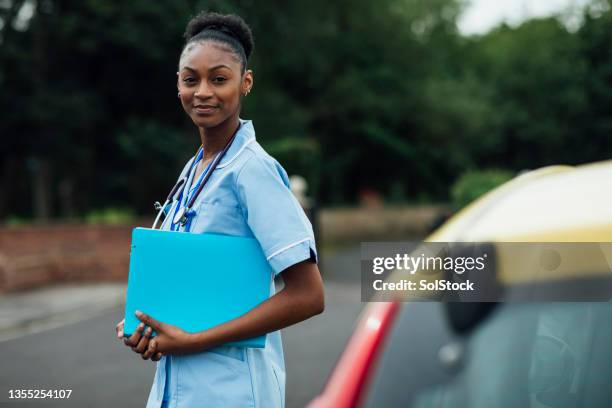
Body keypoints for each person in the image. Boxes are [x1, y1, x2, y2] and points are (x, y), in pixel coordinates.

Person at [114, 11, 324, 408]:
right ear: (177, 84)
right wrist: (147, 323)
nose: (203, 92)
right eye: (190, 79)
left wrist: (194, 341)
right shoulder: (194, 169)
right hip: (176, 388)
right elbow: (192, 281)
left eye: (219, 78)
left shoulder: (252, 170)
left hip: (232, 391)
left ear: (245, 83)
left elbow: (309, 294)